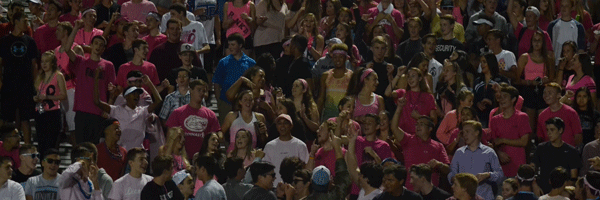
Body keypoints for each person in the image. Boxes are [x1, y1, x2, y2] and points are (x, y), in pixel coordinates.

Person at [64, 20, 116, 144]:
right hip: (82, 111)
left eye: (101, 45)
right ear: (91, 45)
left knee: (94, 146)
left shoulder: (108, 65)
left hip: (98, 112)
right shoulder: (81, 62)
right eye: (96, 43)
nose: (98, 47)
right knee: (81, 145)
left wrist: (108, 108)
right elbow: (67, 49)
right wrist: (75, 28)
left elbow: (112, 89)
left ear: (104, 48)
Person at [94, 70, 163, 150]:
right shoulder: (116, 110)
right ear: (126, 97)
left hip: (137, 153)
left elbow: (159, 101)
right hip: (120, 154)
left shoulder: (143, 111)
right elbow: (97, 102)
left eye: (137, 94)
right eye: (133, 93)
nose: (136, 96)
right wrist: (96, 80)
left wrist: (149, 83)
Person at [0, 11, 39, 145]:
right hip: (8, 85)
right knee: (5, 118)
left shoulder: (30, 41)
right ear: (16, 22)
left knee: (25, 119)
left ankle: (27, 148)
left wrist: (35, 84)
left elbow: (34, 65)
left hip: (26, 85)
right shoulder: (4, 41)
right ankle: (4, 146)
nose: (26, 24)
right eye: (24, 21)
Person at [391, 109, 449, 190]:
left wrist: (439, 164)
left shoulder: (438, 146)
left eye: (421, 124)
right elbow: (394, 128)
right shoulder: (408, 140)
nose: (418, 126)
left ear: (430, 129)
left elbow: (447, 170)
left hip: (430, 193)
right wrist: (400, 107)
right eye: (417, 124)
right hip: (411, 191)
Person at [447, 120, 504, 200]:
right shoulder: (459, 152)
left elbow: (500, 175)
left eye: (467, 131)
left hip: (484, 196)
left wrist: (487, 175)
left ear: (477, 133)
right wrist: (455, 179)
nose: (465, 135)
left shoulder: (489, 152)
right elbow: (451, 173)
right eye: (463, 132)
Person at [165, 79, 222, 159]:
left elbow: (217, 133)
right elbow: (169, 136)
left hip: (203, 158)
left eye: (204, 91)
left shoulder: (210, 114)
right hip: (182, 157)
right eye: (199, 90)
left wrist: (218, 137)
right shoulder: (178, 113)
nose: (202, 93)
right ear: (190, 90)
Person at [515, 30, 555, 134]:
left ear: (543, 43)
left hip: (542, 91)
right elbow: (516, 79)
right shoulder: (525, 57)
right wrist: (529, 82)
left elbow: (552, 78)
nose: (536, 43)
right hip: (529, 90)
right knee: (530, 123)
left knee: (543, 121)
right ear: (531, 42)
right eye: (534, 40)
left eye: (539, 41)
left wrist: (546, 80)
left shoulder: (548, 58)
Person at [489, 85, 531, 178]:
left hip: (517, 165)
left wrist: (503, 140)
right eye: (500, 97)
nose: (501, 99)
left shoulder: (522, 117)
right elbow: (493, 142)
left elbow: (524, 141)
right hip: (500, 166)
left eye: (505, 96)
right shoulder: (495, 119)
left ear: (513, 100)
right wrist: (499, 153)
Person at [213, 33, 256, 121]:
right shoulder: (223, 62)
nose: (230, 47)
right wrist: (219, 102)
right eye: (229, 45)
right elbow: (217, 83)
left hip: (244, 103)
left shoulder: (251, 63)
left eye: (233, 45)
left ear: (240, 45)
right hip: (225, 102)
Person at [532, 117, 581, 194]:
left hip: (563, 194)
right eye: (547, 130)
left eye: (552, 130)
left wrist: (559, 192)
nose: (549, 133)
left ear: (560, 130)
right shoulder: (541, 148)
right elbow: (532, 168)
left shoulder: (571, 151)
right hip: (543, 192)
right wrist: (535, 186)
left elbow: (573, 178)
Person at [33, 51, 67, 156]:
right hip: (41, 112)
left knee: (50, 144)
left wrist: (48, 97)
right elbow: (39, 92)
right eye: (42, 62)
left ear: (52, 63)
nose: (44, 64)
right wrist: (37, 98)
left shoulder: (58, 76)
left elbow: (63, 95)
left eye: (46, 62)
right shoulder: (40, 76)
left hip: (53, 113)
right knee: (41, 145)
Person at [263, 114, 309, 186]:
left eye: (285, 123)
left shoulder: (300, 145)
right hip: (275, 187)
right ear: (277, 127)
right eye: (279, 123)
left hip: (295, 188)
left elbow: (305, 168)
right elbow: (265, 169)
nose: (282, 126)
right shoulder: (269, 146)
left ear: (291, 126)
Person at [303, 132, 350, 200]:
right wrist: (337, 147)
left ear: (311, 181)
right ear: (330, 182)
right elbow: (342, 175)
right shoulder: (337, 196)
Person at [537, 83, 583, 147]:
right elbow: (541, 138)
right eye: (544, 93)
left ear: (558, 95)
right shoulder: (542, 115)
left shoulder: (571, 112)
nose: (546, 95)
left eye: (550, 93)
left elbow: (578, 136)